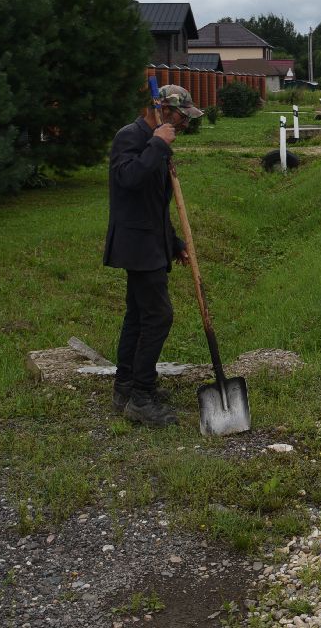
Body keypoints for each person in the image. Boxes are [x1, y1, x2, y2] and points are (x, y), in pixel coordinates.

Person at [103, 83, 202, 426]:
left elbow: (154, 205)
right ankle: (141, 398)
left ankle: (126, 387)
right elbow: (128, 180)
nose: (185, 125)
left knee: (138, 315)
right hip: (136, 245)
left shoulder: (157, 144)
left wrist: (174, 243)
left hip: (152, 242)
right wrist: (158, 143)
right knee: (159, 316)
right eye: (182, 117)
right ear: (161, 110)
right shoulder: (129, 137)